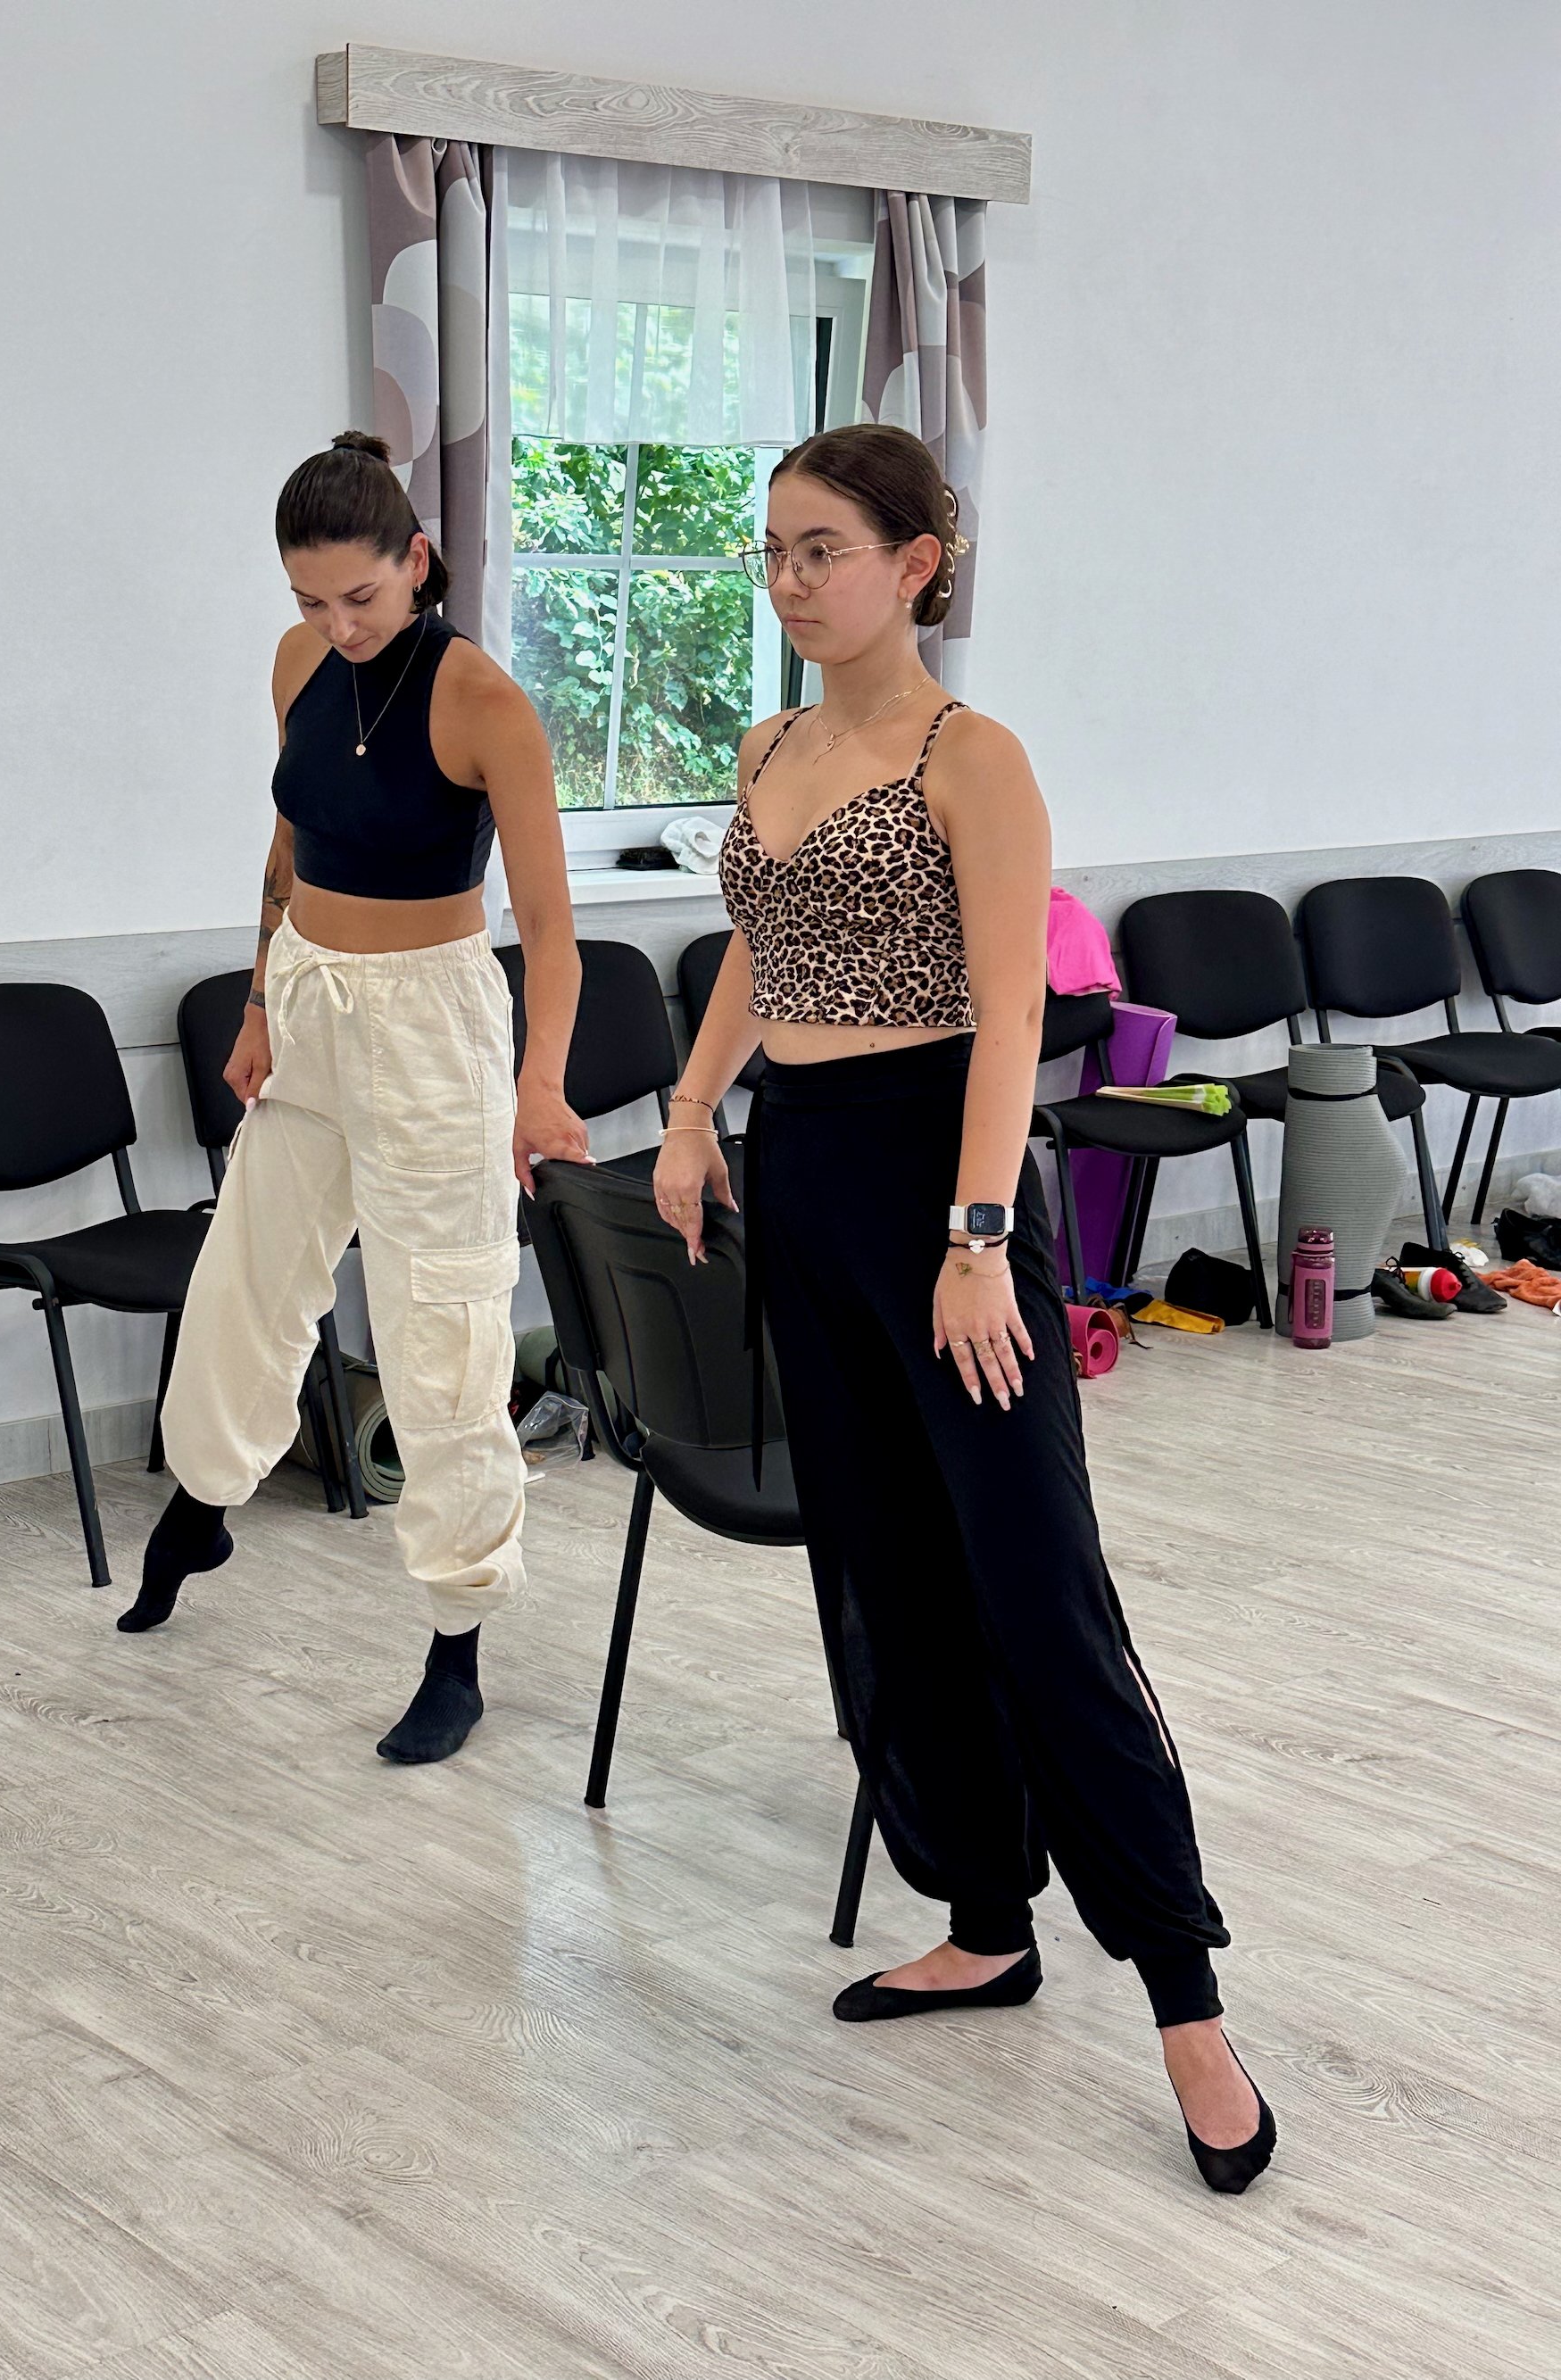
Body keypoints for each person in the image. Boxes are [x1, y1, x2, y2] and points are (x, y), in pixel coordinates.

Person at [652, 423, 1275, 2193]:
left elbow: (1010, 1016)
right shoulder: (771, 745)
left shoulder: (969, 758)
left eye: (824, 549)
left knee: (1034, 1582)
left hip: (944, 1175)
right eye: (774, 550)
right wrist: (693, 1112)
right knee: (887, 1566)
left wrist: (980, 1234)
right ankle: (987, 1919)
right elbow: (762, 953)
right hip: (802, 1170)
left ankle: (1182, 1994)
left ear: (917, 562)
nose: (790, 581)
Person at [120, 433, 588, 1767]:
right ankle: (205, 1500)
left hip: (435, 1032)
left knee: (444, 1336)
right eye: (311, 601)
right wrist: (260, 1000)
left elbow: (552, 930)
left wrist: (541, 1086)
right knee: (247, 1282)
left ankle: (457, 1640)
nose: (337, 625)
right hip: (311, 1003)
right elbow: (289, 841)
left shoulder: (484, 702)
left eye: (361, 598)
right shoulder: (298, 665)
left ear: (417, 562)